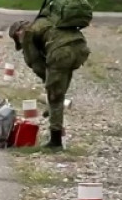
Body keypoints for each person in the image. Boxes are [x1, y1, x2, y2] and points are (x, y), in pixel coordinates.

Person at [9, 17, 90, 149]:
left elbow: (36, 65)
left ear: (18, 32)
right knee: (59, 89)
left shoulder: (27, 33)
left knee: (55, 96)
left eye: (17, 39)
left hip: (62, 53)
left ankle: (56, 142)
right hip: (80, 49)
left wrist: (49, 87)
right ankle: (54, 120)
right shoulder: (45, 21)